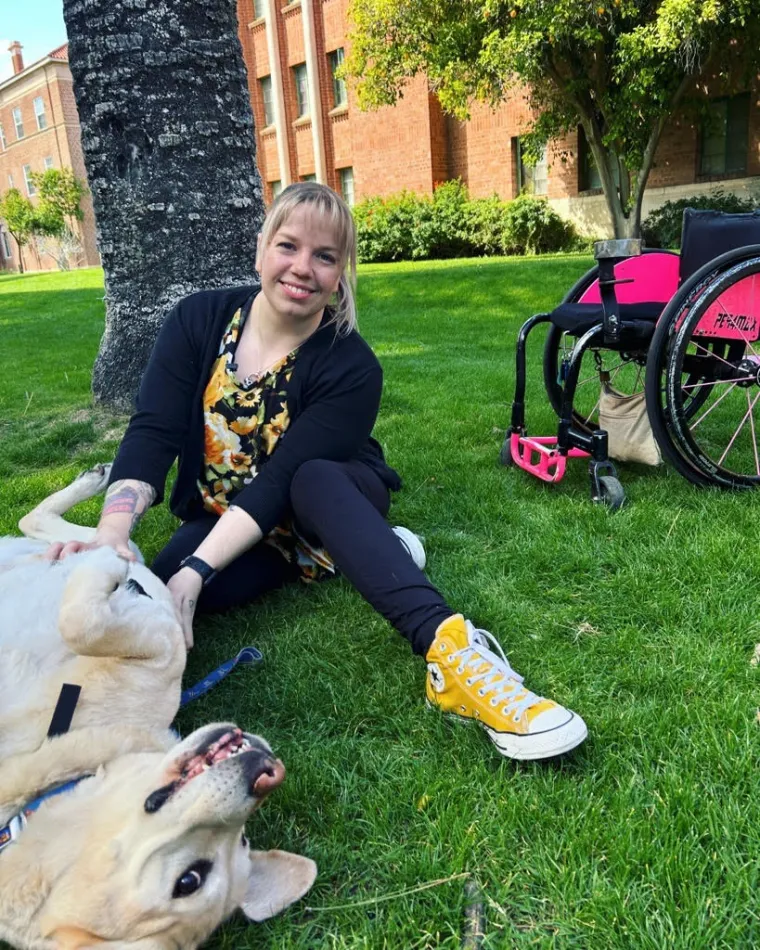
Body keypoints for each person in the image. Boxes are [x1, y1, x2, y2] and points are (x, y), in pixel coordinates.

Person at [49, 183, 586, 762]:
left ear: (340, 273)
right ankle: (366, 552)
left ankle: (451, 653)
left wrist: (198, 570)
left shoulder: (352, 365)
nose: (302, 268)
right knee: (152, 593)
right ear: (260, 248)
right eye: (288, 246)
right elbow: (152, 430)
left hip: (327, 495)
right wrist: (113, 535)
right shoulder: (197, 320)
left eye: (325, 256)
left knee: (308, 484)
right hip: (235, 524)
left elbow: (280, 481)